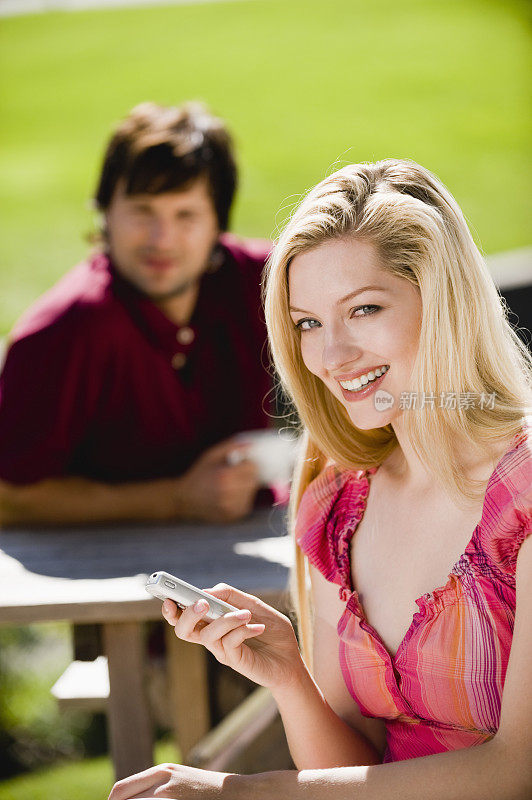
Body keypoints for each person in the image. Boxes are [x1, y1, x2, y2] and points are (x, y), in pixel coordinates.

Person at [108, 159, 532, 799]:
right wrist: (288, 677)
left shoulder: (521, 494)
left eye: (363, 309)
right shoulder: (341, 501)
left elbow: (516, 772)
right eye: (308, 322)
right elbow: (348, 772)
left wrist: (239, 791)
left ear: (443, 301)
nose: (332, 357)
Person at [0, 101, 274, 526]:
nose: (161, 239)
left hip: (257, 547)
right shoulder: (64, 330)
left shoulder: (268, 282)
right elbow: (8, 497)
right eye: (143, 210)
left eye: (186, 215)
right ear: (105, 211)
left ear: (218, 222)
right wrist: (176, 499)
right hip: (96, 571)